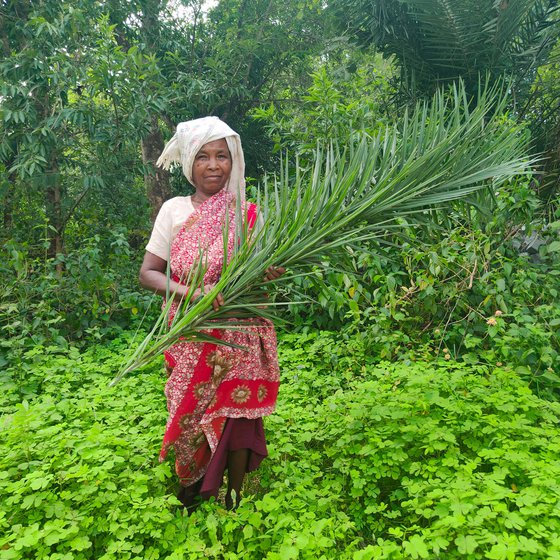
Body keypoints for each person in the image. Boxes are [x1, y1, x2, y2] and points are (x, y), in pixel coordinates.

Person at [139, 116, 282, 512]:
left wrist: (266, 274)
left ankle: (233, 501)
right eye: (203, 156)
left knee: (236, 417)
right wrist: (193, 292)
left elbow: (261, 287)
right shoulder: (173, 211)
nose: (214, 165)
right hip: (191, 331)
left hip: (238, 334)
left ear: (233, 161)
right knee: (188, 414)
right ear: (189, 163)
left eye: (222, 155)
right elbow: (149, 273)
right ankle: (190, 493)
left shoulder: (248, 214)